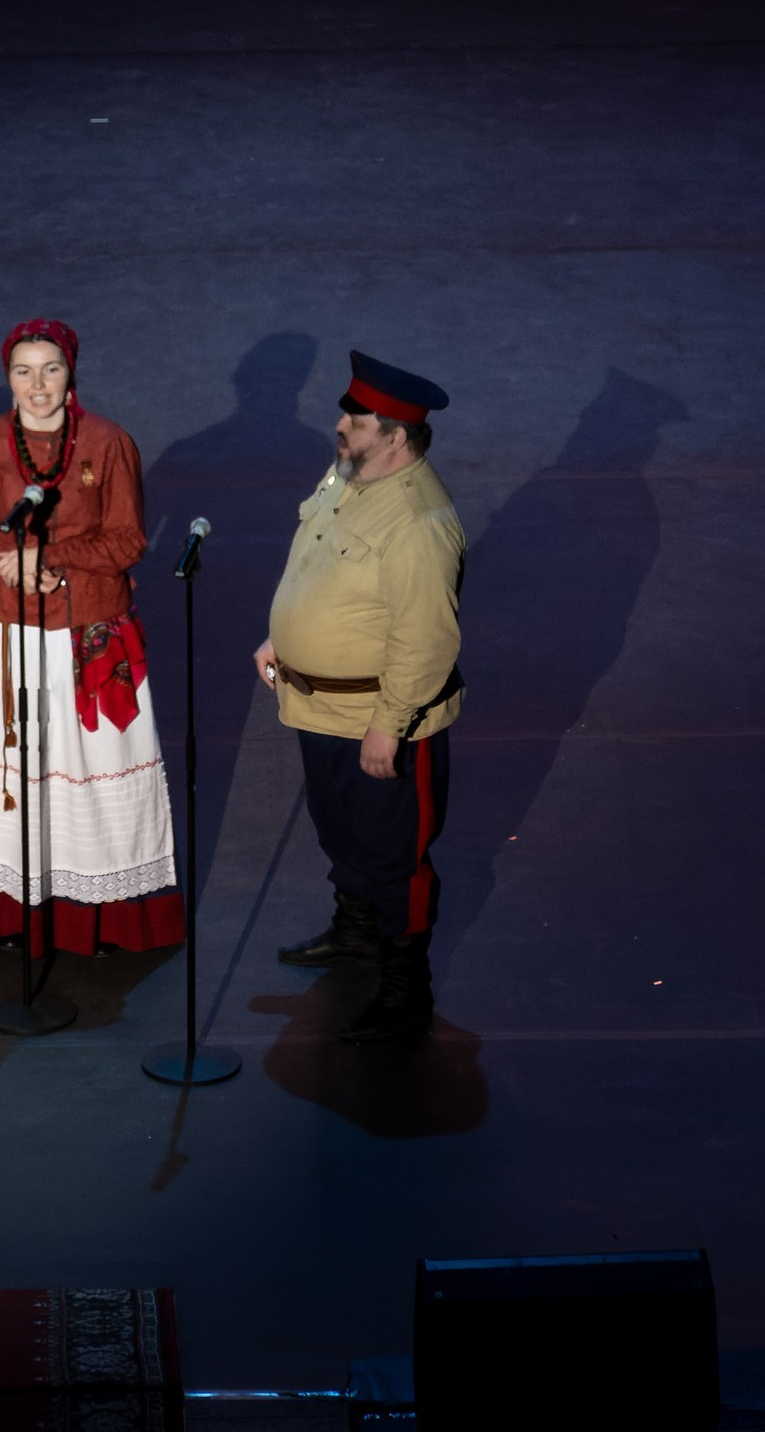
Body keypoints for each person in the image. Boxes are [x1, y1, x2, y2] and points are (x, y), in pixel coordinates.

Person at [0, 319, 180, 954]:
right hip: (10, 627)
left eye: (50, 369)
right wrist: (4, 563)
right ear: (7, 377)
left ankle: (98, 919)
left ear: (71, 372)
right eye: (23, 371)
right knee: (16, 772)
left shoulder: (107, 441)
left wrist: (49, 554)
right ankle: (16, 918)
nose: (37, 385)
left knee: (90, 769)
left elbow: (128, 539)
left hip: (87, 625)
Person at [253, 351, 464, 1041]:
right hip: (318, 707)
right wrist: (280, 637)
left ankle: (406, 988)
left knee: (394, 853)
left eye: (355, 418)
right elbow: (313, 556)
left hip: (378, 719)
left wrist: (390, 726)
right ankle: (353, 934)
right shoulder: (347, 474)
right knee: (341, 830)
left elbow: (425, 639)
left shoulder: (420, 522)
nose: (339, 424)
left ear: (396, 435)